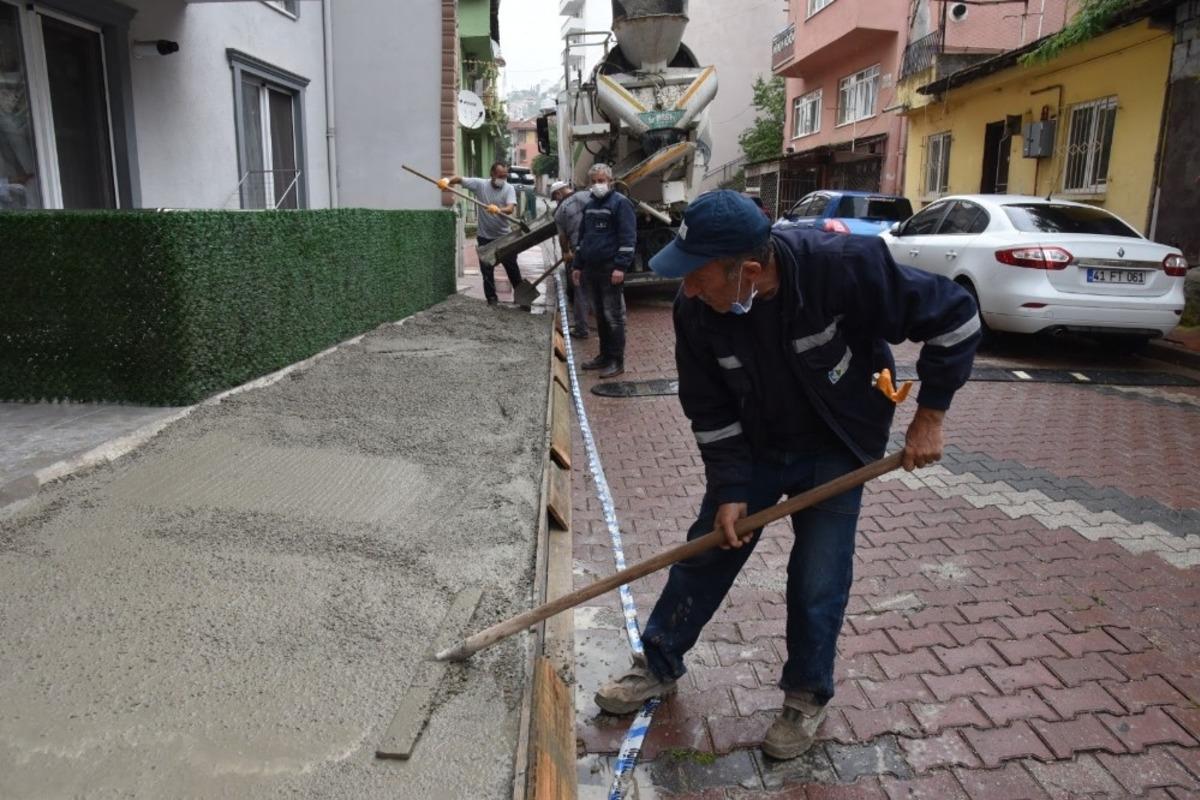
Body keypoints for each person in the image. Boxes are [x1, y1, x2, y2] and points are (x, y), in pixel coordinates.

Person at [593, 190, 980, 761]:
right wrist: (728, 489)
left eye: (698, 277)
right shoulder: (696, 310)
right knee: (708, 550)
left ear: (748, 270)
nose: (689, 289)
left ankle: (805, 696)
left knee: (818, 576)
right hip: (755, 447)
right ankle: (657, 661)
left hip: (838, 445)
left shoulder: (843, 269)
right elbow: (709, 407)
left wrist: (930, 416)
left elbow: (956, 317)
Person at [573, 164, 637, 378]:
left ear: (610, 181)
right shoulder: (590, 205)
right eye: (594, 181)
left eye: (602, 180)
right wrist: (577, 265)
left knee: (613, 316)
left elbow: (628, 238)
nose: (598, 185)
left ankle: (616, 361)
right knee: (599, 315)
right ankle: (604, 356)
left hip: (610, 269)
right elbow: (583, 238)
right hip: (592, 269)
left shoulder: (621, 204)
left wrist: (620, 266)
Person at [439, 162, 522, 306]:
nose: (502, 178)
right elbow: (459, 179)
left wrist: (499, 210)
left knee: (512, 268)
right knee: (487, 270)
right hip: (485, 237)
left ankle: (522, 298)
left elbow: (510, 209)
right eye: (500, 176)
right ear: (492, 174)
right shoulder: (480, 185)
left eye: (505, 176)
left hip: (504, 236)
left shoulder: (509, 189)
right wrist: (447, 181)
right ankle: (492, 300)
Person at [551, 180, 594, 339]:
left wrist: (566, 252)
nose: (556, 200)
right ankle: (609, 324)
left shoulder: (559, 211)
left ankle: (582, 328)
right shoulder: (588, 195)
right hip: (599, 247)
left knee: (581, 289)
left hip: (579, 251)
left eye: (555, 198)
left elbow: (563, 237)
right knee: (602, 286)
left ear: (558, 194)